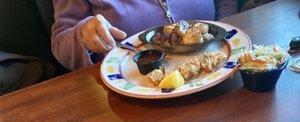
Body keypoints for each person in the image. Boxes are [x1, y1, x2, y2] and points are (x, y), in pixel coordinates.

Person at [52, 0, 237, 71]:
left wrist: (226, 34)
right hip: (138, 96)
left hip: (218, 71)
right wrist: (83, 33)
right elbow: (61, 41)